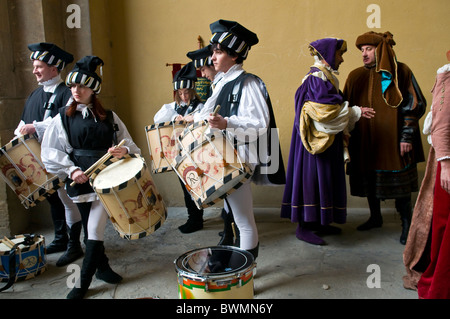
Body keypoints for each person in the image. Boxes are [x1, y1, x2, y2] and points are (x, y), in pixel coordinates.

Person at [41, 56, 141, 299]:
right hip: (79, 181)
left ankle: (82, 285)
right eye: (73, 86)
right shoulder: (62, 118)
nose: (76, 91)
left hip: (106, 181)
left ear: (93, 89)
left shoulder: (110, 117)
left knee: (94, 230)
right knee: (88, 227)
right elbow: (50, 151)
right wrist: (71, 169)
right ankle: (103, 268)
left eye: (82, 86)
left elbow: (131, 146)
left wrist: (123, 151)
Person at [194, 19, 286, 259]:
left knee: (244, 220)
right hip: (224, 156)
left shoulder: (249, 83)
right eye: (213, 51)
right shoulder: (223, 82)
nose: (213, 57)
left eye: (219, 51)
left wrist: (227, 123)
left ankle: (245, 278)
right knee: (233, 214)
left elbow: (259, 124)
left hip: (239, 158)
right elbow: (207, 115)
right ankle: (236, 261)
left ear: (235, 56)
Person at [281, 38, 374, 245]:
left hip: (326, 140)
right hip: (314, 143)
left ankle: (320, 222)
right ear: (328, 55)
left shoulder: (326, 77)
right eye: (339, 54)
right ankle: (304, 227)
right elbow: (325, 111)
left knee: (325, 177)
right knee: (313, 178)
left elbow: (332, 106)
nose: (341, 59)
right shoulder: (316, 78)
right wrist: (355, 111)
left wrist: (350, 112)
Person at [343, 31, 426, 244]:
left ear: (381, 50)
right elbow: (344, 107)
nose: (363, 54)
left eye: (368, 49)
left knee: (400, 184)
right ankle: (375, 217)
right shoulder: (355, 76)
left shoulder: (401, 72)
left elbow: (414, 106)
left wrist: (406, 137)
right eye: (362, 50)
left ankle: (406, 223)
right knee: (370, 177)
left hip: (394, 141)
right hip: (365, 140)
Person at [14, 42, 83, 266]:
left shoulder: (68, 93)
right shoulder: (34, 95)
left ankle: (74, 245)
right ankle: (61, 238)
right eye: (34, 66)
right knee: (53, 200)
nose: (35, 70)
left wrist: (36, 127)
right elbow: (23, 123)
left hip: (62, 159)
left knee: (68, 201)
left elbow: (66, 120)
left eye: (39, 66)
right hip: (39, 160)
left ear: (54, 68)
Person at [187, 46, 236, 245]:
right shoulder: (217, 84)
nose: (203, 74)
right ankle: (228, 230)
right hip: (221, 141)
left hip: (230, 142)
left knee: (232, 193)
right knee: (228, 194)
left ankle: (231, 233)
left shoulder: (224, 83)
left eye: (205, 70)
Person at [154, 62, 205, 233]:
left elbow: (204, 120)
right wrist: (175, 117)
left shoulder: (200, 107)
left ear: (192, 91)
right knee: (185, 187)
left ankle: (197, 220)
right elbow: (157, 119)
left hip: (196, 152)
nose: (183, 96)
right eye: (180, 93)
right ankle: (194, 217)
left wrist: (191, 118)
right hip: (178, 153)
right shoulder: (171, 108)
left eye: (187, 92)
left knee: (195, 187)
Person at [416, 53, 450, 298]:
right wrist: (446, 164)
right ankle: (440, 280)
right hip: (447, 162)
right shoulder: (447, 78)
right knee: (442, 223)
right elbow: (441, 124)